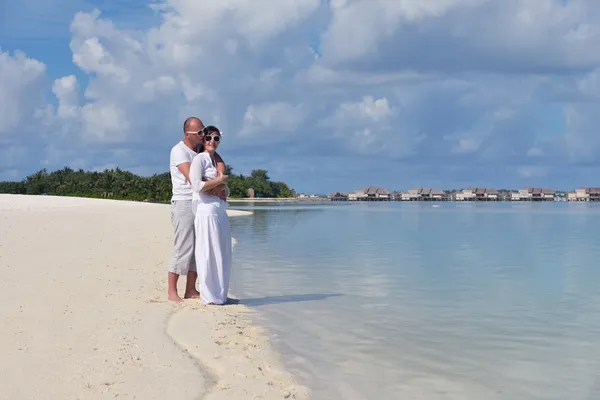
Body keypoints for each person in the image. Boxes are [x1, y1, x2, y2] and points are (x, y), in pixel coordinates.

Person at [167, 117, 226, 302]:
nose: (203, 135)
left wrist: (220, 181)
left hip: (199, 203)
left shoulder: (201, 150)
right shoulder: (179, 151)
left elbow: (218, 163)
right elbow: (193, 179)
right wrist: (217, 183)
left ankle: (191, 289)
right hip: (183, 201)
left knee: (198, 247)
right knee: (183, 246)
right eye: (200, 133)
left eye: (204, 132)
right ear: (187, 134)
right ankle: (171, 291)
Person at [189, 125, 233, 305]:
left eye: (216, 139)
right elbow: (197, 186)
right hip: (205, 211)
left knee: (222, 252)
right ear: (203, 139)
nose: (212, 142)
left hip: (219, 210)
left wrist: (219, 186)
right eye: (208, 138)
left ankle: (220, 295)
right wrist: (218, 181)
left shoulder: (216, 160)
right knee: (207, 252)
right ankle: (209, 296)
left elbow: (221, 188)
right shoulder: (199, 159)